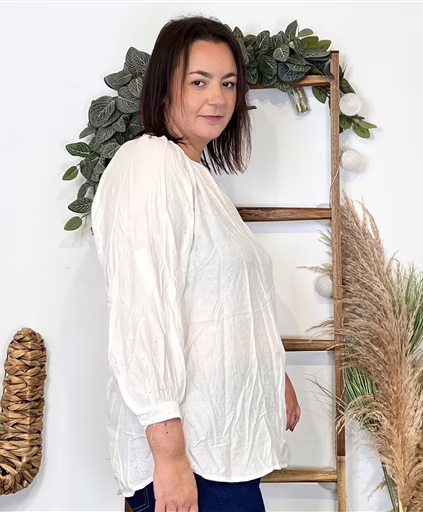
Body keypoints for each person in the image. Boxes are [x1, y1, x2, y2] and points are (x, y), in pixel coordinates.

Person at [91, 14, 301, 512]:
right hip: (190, 458)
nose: (218, 98)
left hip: (218, 452)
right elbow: (143, 309)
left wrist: (272, 373)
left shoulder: (194, 176)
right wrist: (169, 456)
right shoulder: (149, 165)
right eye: (199, 82)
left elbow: (219, 305)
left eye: (228, 83)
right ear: (164, 89)